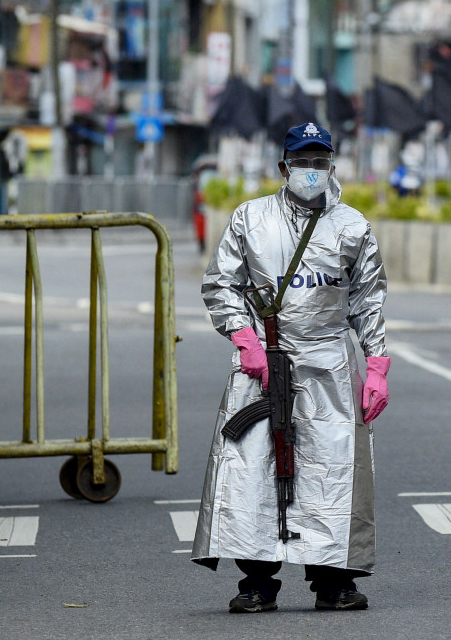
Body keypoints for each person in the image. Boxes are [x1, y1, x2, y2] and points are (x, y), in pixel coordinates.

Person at [193, 121, 391, 614]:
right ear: (283, 167)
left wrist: (378, 364)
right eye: (302, 162)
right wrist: (245, 339)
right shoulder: (249, 219)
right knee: (254, 468)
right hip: (264, 361)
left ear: (331, 166)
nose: (310, 171)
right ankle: (257, 582)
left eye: (319, 162)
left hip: (330, 365)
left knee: (334, 469)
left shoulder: (352, 226)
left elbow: (369, 300)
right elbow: (221, 284)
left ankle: (334, 582)